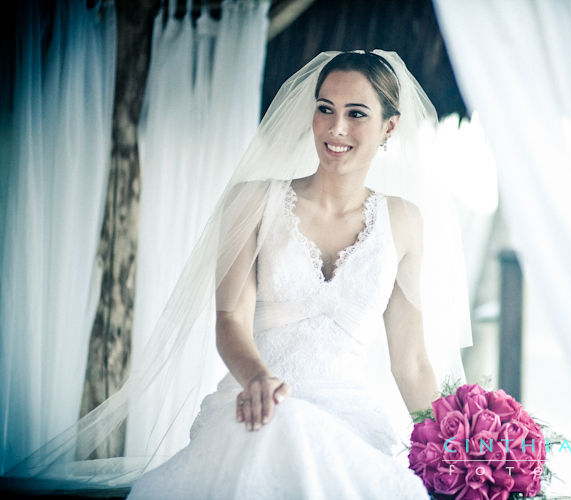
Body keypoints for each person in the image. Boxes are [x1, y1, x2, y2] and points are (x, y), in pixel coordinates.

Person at [6, 50, 471, 498]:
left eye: (356, 114)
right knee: (278, 433)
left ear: (389, 126)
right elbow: (229, 320)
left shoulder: (405, 220)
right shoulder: (252, 202)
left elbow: (410, 362)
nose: (335, 127)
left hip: (351, 419)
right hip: (257, 404)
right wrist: (258, 381)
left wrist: (458, 452)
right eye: (325, 109)